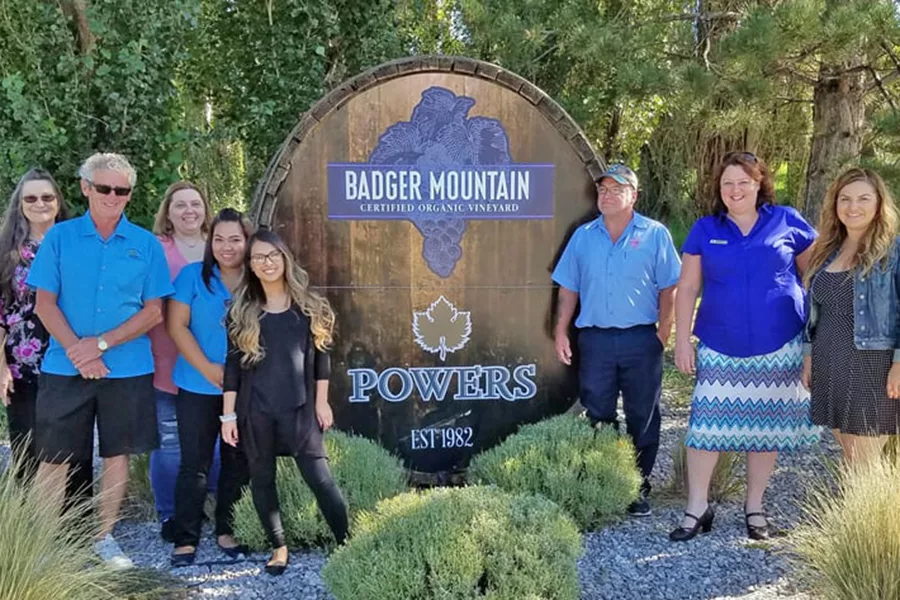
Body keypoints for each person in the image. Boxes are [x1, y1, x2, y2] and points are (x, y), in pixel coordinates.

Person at [27, 153, 173, 568]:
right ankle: (39, 548)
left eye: (122, 190)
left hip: (126, 368)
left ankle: (103, 539)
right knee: (53, 459)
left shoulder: (145, 244)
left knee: (117, 454)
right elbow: (44, 303)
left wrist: (101, 345)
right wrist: (79, 349)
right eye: (105, 188)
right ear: (86, 188)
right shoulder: (59, 238)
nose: (113, 196)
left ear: (129, 194)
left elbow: (153, 311)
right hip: (63, 366)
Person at [671, 152, 820, 543]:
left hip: (780, 343)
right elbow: (687, 288)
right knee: (705, 429)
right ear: (718, 190)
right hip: (720, 344)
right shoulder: (705, 229)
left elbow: (817, 276)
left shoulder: (787, 220)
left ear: (759, 184)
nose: (735, 190)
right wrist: (682, 340)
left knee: (764, 429)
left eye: (743, 182)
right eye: (727, 184)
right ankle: (697, 507)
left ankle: (754, 507)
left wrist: (816, 341)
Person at [552, 163, 681, 517]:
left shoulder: (655, 235)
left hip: (641, 340)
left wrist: (664, 331)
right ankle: (608, 482)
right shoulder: (583, 236)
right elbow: (568, 287)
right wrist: (561, 330)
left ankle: (638, 484)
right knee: (598, 413)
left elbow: (670, 285)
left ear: (634, 196)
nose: (607, 195)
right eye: (603, 189)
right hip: (594, 341)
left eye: (616, 189)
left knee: (643, 414)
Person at [221, 230, 348, 576]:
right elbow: (232, 367)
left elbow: (323, 359)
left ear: (285, 258)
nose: (267, 263)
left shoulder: (309, 307)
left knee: (321, 480)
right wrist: (228, 415)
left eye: (273, 255)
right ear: (250, 265)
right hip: (255, 410)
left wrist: (322, 403)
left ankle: (347, 543)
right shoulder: (242, 311)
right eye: (258, 257)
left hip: (301, 409)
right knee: (262, 480)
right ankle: (279, 548)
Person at [0, 168, 92, 506]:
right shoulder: (6, 251)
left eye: (47, 197)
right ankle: (33, 528)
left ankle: (77, 527)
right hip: (23, 365)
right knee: (29, 441)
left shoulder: (77, 244)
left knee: (76, 443)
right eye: (31, 198)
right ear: (20, 205)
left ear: (58, 202)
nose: (40, 203)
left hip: (71, 357)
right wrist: (1, 367)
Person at [168, 208, 252, 566]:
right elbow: (176, 327)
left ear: (247, 241)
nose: (226, 246)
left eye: (235, 239)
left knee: (237, 462)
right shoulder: (191, 277)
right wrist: (207, 369)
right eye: (218, 239)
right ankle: (186, 538)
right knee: (195, 464)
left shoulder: (258, 279)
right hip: (197, 386)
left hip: (247, 389)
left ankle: (227, 530)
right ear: (209, 241)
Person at [802, 167, 900, 463]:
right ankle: (856, 509)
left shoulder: (893, 251)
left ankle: (870, 510)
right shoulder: (827, 249)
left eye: (863, 199)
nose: (853, 207)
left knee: (865, 460)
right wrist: (809, 355)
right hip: (830, 360)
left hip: (874, 365)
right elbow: (815, 310)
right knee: (850, 456)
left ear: (879, 203)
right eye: (845, 199)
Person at [147, 181, 220, 540]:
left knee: (220, 441)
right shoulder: (156, 249)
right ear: (168, 212)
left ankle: (215, 508)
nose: (189, 210)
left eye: (195, 203)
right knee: (170, 442)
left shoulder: (219, 247)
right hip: (168, 359)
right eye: (180, 205)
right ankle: (171, 514)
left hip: (217, 365)